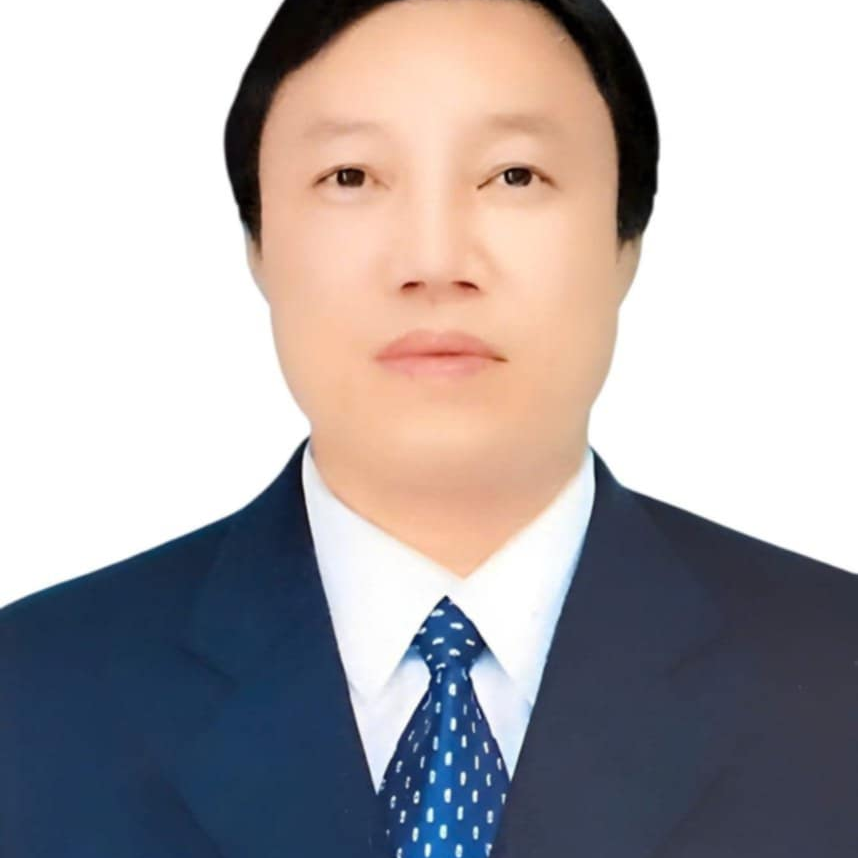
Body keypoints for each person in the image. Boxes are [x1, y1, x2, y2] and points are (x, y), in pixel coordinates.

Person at [2, 1, 856, 856]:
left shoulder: (835, 680)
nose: (435, 262)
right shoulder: (30, 695)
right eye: (350, 177)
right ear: (257, 242)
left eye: (515, 175)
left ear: (625, 240)